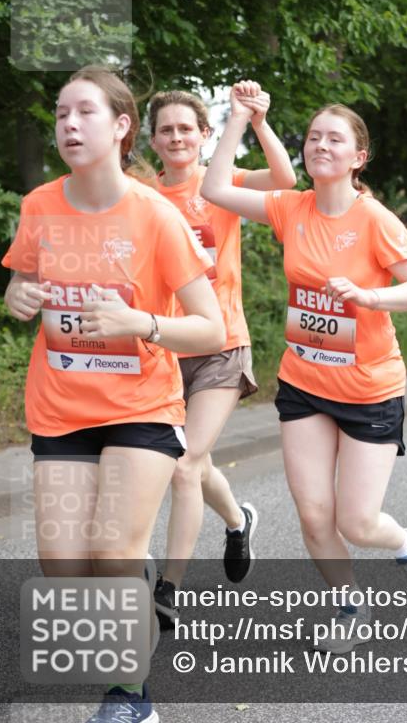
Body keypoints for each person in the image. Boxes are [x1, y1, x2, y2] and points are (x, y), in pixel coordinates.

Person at [3, 65, 225, 723]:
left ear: (122, 126)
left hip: (141, 407)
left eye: (85, 113)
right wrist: (18, 296)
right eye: (61, 114)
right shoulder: (40, 205)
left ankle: (131, 699)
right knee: (64, 570)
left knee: (114, 552)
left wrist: (141, 323)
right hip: (61, 408)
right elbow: (20, 282)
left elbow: (210, 328)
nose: (69, 125)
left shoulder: (154, 214)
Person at [202, 83, 407, 653]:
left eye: (334, 139)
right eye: (313, 137)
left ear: (359, 156)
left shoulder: (376, 220)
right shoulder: (292, 207)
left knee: (358, 523)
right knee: (314, 516)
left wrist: (369, 297)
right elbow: (214, 189)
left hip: (369, 388)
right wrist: (242, 119)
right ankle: (351, 607)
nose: (320, 146)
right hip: (304, 382)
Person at [147, 87, 296, 623]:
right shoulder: (141, 194)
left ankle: (168, 588)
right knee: (196, 458)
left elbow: (284, 180)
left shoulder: (223, 180)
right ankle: (238, 521)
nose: (177, 137)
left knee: (184, 464)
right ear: (153, 140)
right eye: (166, 130)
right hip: (163, 347)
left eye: (186, 128)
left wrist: (255, 121)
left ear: (204, 135)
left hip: (221, 345)